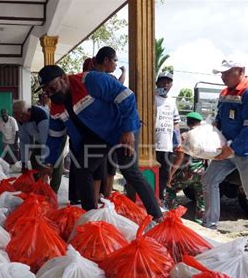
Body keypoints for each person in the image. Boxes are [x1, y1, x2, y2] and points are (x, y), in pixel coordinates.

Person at [37, 65, 162, 222]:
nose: (50, 94)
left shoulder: (91, 81)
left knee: (130, 171)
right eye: (46, 91)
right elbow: (54, 136)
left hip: (121, 129)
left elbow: (127, 96)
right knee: (82, 169)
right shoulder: (56, 106)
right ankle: (91, 219)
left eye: (52, 88)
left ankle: (157, 217)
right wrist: (48, 163)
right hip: (97, 137)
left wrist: (128, 130)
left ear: (63, 78)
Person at [203, 59, 248, 251]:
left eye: (226, 73)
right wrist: (212, 133)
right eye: (221, 73)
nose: (222, 77)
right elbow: (220, 119)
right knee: (208, 180)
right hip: (229, 150)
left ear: (240, 71)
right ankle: (210, 226)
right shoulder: (224, 92)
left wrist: (230, 149)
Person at [93, 46, 127, 197]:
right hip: (100, 132)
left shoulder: (110, 79)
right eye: (114, 61)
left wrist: (123, 73)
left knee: (108, 167)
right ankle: (98, 202)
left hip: (105, 132)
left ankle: (104, 200)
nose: (115, 64)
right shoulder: (93, 79)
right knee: (99, 168)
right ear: (106, 60)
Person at [12, 99, 63, 193]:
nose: (21, 119)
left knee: (55, 162)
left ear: (29, 111)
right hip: (40, 138)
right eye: (18, 117)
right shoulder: (21, 119)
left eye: (22, 116)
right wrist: (24, 163)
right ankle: (38, 186)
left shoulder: (41, 115)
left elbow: (46, 142)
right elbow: (24, 141)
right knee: (34, 158)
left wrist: (45, 164)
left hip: (55, 136)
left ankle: (52, 192)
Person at [165, 112, 206, 224]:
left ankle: (174, 216)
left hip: (190, 170)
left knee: (170, 189)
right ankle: (200, 221)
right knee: (201, 196)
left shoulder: (185, 136)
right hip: (203, 170)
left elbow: (180, 158)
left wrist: (170, 175)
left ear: (188, 123)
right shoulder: (205, 137)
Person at [154, 71, 181, 201]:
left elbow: (176, 122)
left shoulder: (171, 101)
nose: (165, 84)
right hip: (151, 144)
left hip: (166, 145)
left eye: (168, 82)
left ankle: (159, 200)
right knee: (150, 173)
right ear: (156, 83)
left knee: (164, 175)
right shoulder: (151, 98)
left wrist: (178, 141)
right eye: (163, 81)